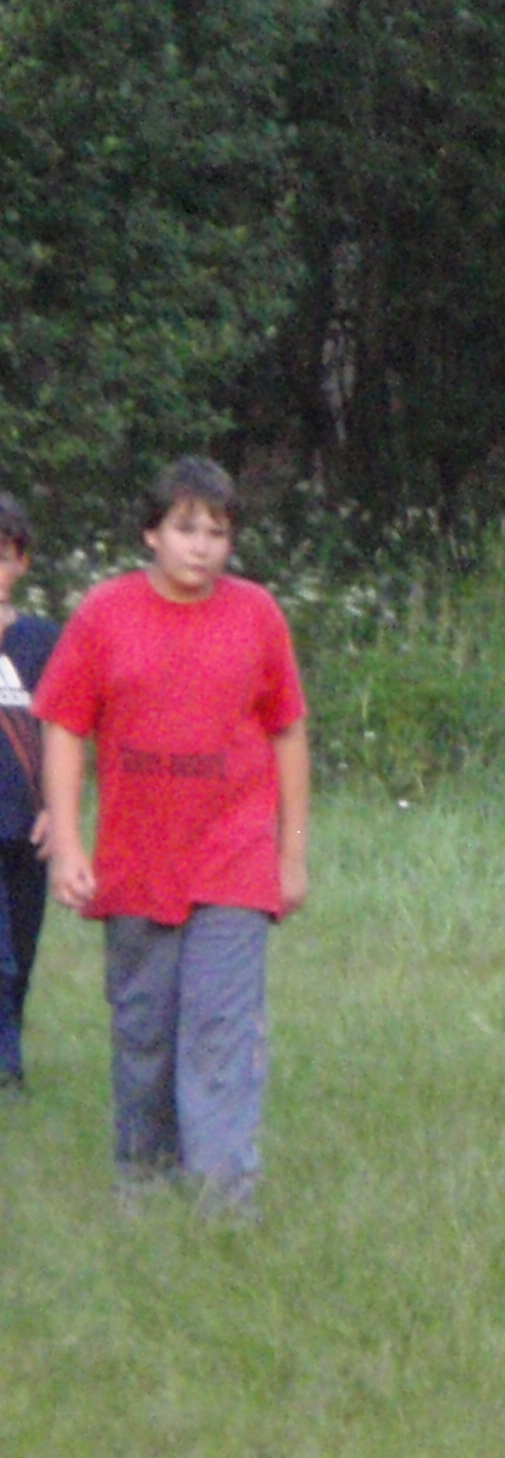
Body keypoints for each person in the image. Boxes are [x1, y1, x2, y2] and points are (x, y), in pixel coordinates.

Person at [33, 459, 309, 1205]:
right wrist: (68, 844)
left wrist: (290, 856)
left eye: (218, 532)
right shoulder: (104, 613)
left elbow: (287, 731)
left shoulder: (257, 614)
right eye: (186, 529)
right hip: (136, 863)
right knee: (146, 1032)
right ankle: (144, 1184)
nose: (201, 546)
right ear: (151, 534)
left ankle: (223, 1198)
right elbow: (65, 726)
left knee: (221, 1031)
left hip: (234, 860)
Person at [0, 493, 55, 1091]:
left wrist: (57, 812)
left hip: (28, 823)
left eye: (2, 555)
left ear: (21, 562)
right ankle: (6, 1067)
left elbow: (66, 730)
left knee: (21, 948)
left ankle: (9, 1033)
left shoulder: (43, 642)